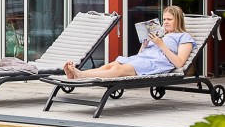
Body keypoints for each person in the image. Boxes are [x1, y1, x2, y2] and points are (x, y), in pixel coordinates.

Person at [64, 5, 194, 79]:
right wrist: (144, 45)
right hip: (142, 59)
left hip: (156, 64)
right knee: (111, 65)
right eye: (164, 19)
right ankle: (76, 75)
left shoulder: (184, 37)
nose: (165, 22)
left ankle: (81, 75)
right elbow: (141, 54)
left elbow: (179, 63)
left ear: (178, 20)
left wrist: (161, 44)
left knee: (118, 69)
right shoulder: (161, 33)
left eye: (169, 19)